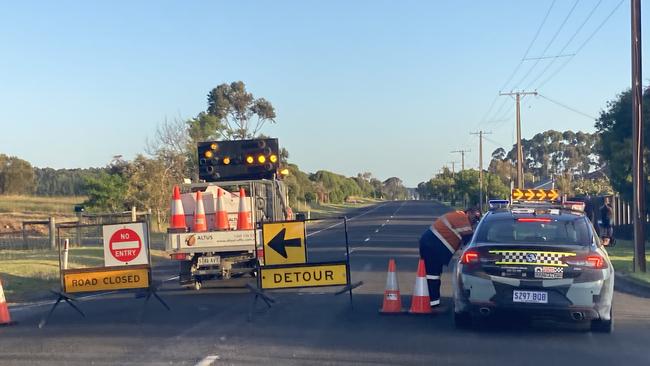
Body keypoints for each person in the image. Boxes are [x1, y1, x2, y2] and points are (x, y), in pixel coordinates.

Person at [419, 207, 481, 308]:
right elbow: (468, 240)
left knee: (434, 273)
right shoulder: (462, 219)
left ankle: (432, 301)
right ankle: (432, 302)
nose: (475, 220)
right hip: (432, 245)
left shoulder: (458, 216)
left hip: (431, 244)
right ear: (469, 213)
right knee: (433, 274)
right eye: (475, 217)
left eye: (478, 218)